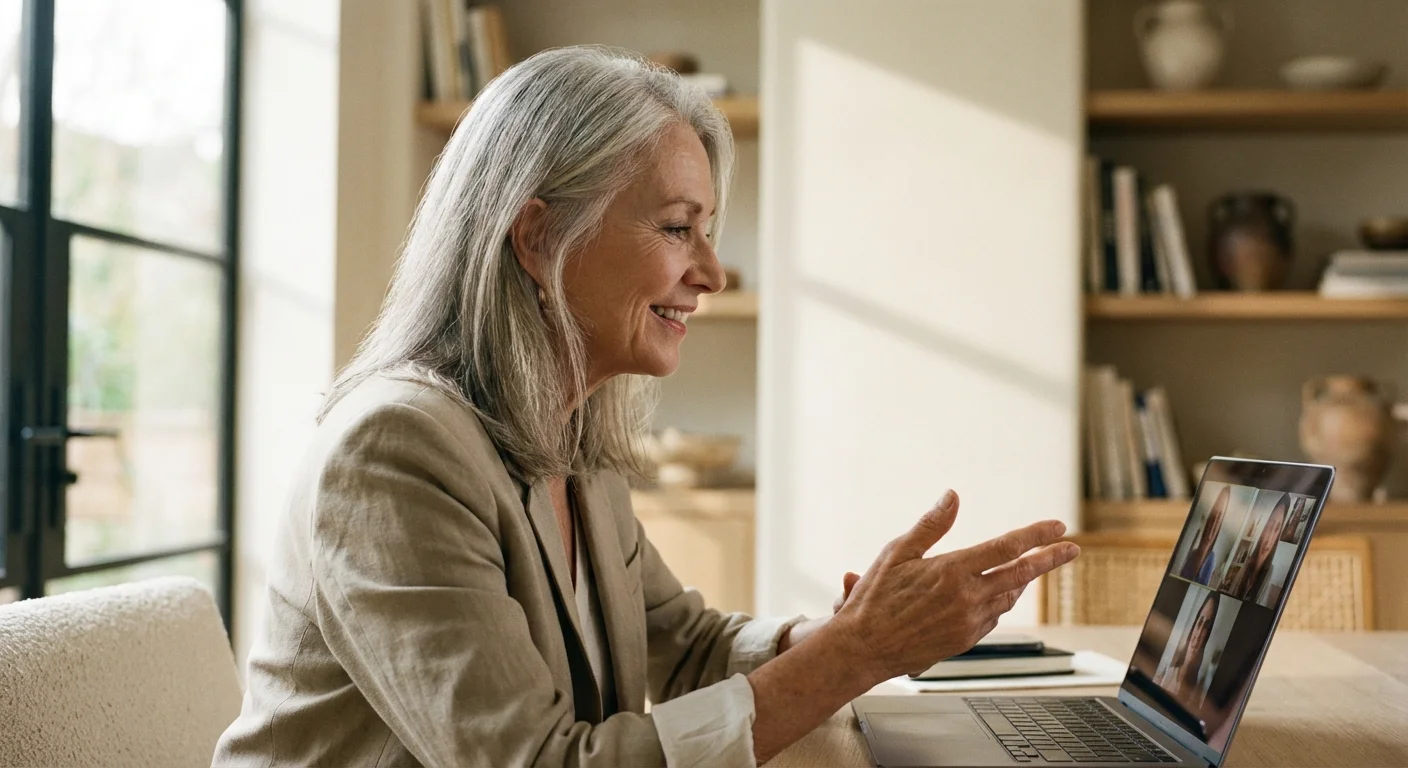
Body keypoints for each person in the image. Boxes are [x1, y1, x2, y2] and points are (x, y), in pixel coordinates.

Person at [211, 47, 1080, 767]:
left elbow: (688, 644)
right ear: (540, 234)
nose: (711, 271)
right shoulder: (397, 450)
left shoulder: (569, 438)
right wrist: (859, 652)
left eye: (708, 230)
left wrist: (856, 629)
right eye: (677, 228)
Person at [1156, 592, 1219, 707]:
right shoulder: (1164, 676)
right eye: (1199, 622)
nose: (1198, 634)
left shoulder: (1199, 697)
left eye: (1206, 626)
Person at [1229, 496, 1289, 606]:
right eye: (1270, 525)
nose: (1270, 536)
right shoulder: (1246, 564)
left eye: (1276, 529)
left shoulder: (1270, 573)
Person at [1178, 486, 1230, 586]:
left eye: (1220, 517)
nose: (1214, 522)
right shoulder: (1190, 551)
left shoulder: (1211, 559)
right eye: (1213, 515)